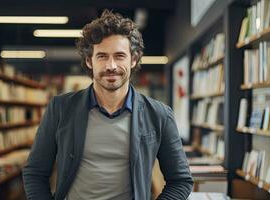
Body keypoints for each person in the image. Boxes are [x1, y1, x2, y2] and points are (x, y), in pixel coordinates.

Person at [22, 9, 193, 200]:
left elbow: (180, 181)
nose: (111, 66)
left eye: (119, 56)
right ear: (89, 61)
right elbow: (35, 172)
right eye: (102, 56)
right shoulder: (60, 108)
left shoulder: (159, 114)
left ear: (133, 59)